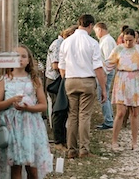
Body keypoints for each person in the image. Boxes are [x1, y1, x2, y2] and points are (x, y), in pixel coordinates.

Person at [0, 44, 51, 179]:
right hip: (13, 126)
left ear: (29, 60)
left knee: (32, 167)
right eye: (16, 56)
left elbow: (43, 105)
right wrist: (11, 100)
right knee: (16, 165)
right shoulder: (3, 79)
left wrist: (29, 108)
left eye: (23, 56)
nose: (20, 59)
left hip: (31, 125)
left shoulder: (34, 79)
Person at [59, 14, 107, 160]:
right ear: (91, 26)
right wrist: (103, 89)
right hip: (87, 81)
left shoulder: (66, 42)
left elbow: (62, 66)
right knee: (84, 116)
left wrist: (66, 79)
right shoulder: (92, 43)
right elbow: (98, 68)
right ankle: (84, 149)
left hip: (70, 80)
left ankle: (71, 149)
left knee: (72, 115)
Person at [107, 28, 139, 151]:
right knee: (120, 112)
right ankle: (114, 141)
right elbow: (109, 64)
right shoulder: (118, 49)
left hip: (135, 79)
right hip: (122, 79)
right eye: (126, 40)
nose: (128, 42)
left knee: (135, 112)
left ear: (135, 39)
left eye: (131, 40)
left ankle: (134, 142)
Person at [45, 26, 74, 146]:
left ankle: (63, 138)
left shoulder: (62, 44)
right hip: (55, 81)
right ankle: (58, 140)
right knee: (58, 110)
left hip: (60, 80)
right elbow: (55, 65)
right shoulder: (57, 44)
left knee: (62, 110)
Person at [95, 20, 117, 129]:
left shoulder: (107, 41)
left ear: (100, 29)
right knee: (105, 95)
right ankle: (110, 117)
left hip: (105, 72)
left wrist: (104, 74)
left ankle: (108, 120)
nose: (95, 34)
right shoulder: (105, 40)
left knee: (103, 95)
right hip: (105, 72)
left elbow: (109, 59)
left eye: (96, 31)